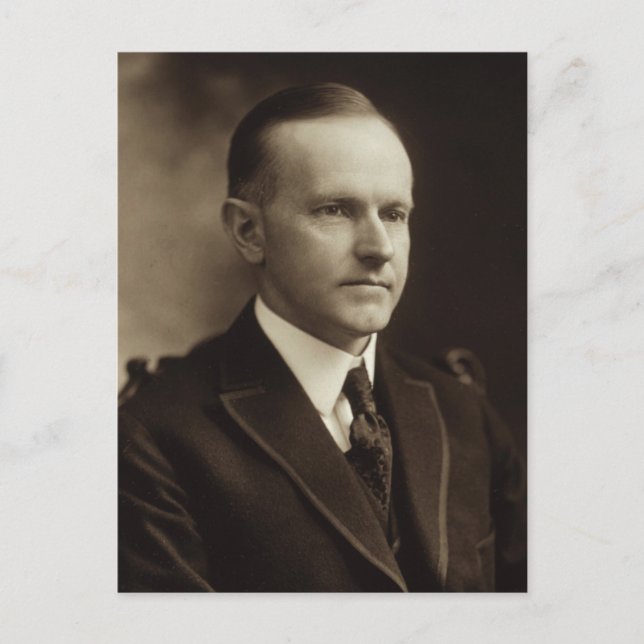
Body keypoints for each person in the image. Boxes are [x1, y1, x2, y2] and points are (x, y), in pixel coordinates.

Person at [118, 83, 526, 592]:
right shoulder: (153, 438)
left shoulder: (462, 413)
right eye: (334, 209)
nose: (379, 247)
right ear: (248, 232)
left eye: (394, 214)